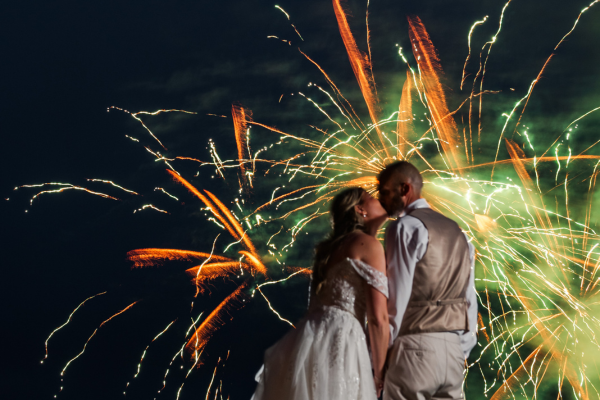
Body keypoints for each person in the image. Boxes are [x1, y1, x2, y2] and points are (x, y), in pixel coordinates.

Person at [252, 187, 390, 400]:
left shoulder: (329, 250)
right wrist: (380, 374)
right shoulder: (368, 244)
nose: (380, 199)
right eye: (372, 197)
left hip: (310, 337)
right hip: (343, 337)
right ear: (360, 209)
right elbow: (378, 318)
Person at [377, 161, 477, 400]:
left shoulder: (404, 228)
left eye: (385, 192)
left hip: (413, 347)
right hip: (453, 352)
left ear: (404, 189)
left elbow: (397, 299)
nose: (381, 200)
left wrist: (382, 356)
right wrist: (461, 347)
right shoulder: (460, 233)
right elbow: (469, 299)